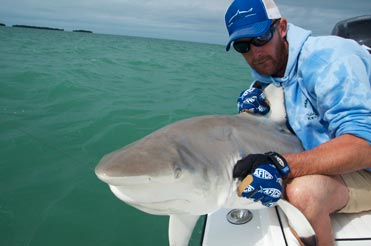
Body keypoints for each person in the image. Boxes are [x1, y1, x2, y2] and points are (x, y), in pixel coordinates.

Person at [224, 0, 371, 245]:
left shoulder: (329, 61)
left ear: (282, 28)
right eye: (243, 45)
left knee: (302, 194)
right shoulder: (269, 79)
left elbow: (364, 146)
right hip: (339, 164)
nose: (255, 52)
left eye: (260, 38)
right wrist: (259, 119)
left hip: (365, 165)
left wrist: (282, 165)